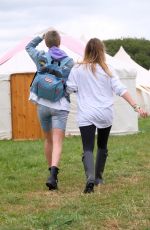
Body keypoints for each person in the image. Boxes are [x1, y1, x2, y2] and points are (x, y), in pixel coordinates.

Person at [66, 38, 147, 194]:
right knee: (102, 146)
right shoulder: (108, 69)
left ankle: (89, 177)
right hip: (105, 113)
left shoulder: (77, 69)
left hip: (86, 113)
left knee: (88, 148)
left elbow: (70, 88)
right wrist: (136, 106)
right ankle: (98, 178)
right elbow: (121, 89)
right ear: (102, 51)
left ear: (86, 51)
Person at [25, 30, 74, 190]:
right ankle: (53, 175)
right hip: (60, 105)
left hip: (42, 104)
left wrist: (40, 35)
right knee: (58, 141)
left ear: (46, 42)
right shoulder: (68, 61)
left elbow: (28, 46)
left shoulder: (40, 57)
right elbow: (71, 84)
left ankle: (50, 173)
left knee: (48, 140)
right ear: (59, 42)